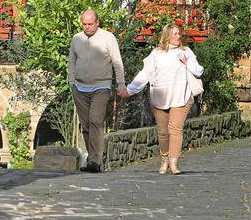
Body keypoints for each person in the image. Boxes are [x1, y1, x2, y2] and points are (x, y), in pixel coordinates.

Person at [124, 23, 203, 175]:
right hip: (160, 97)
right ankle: (164, 159)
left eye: (179, 33)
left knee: (175, 129)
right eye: (174, 34)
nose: (178, 36)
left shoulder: (186, 51)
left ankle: (174, 162)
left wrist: (187, 63)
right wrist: (129, 90)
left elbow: (198, 71)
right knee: (163, 132)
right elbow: (145, 74)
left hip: (181, 96)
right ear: (167, 36)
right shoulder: (156, 54)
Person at [67, 9, 126, 173]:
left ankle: (96, 161)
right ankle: (92, 159)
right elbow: (72, 61)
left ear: (97, 22)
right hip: (80, 87)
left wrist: (121, 84)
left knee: (95, 121)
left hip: (101, 86)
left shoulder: (108, 38)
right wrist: (72, 81)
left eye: (90, 24)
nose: (87, 27)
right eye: (84, 24)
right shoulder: (76, 39)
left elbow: (117, 62)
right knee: (85, 125)